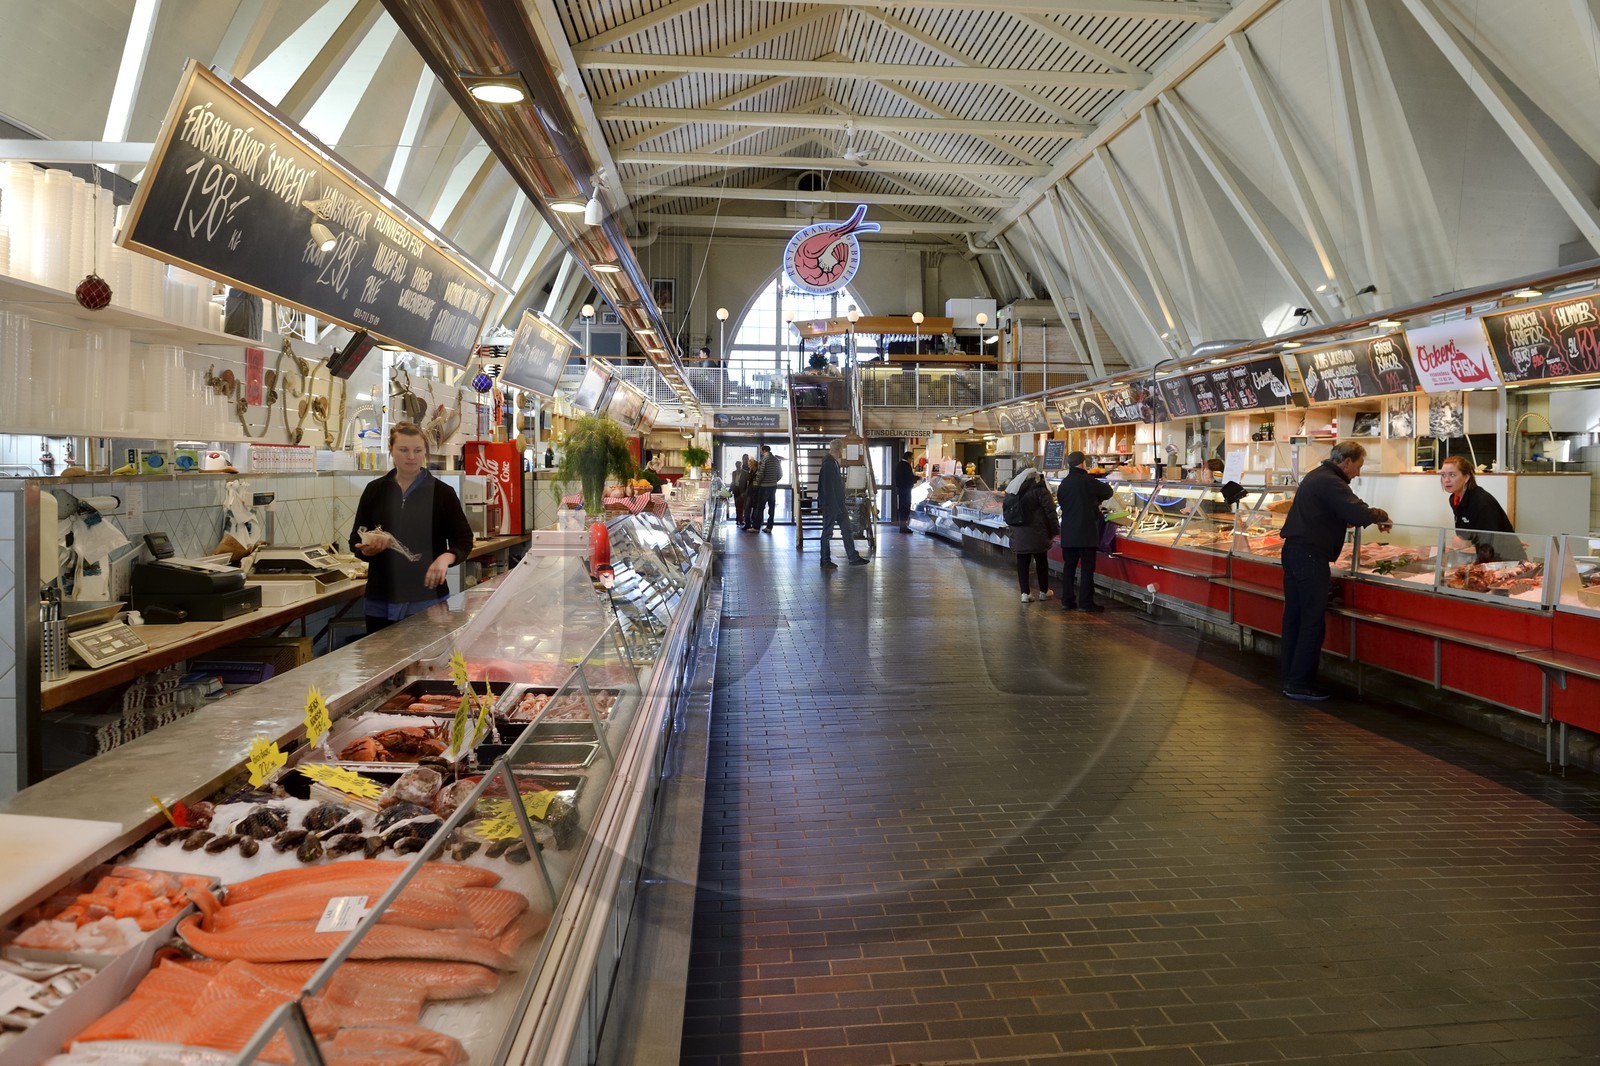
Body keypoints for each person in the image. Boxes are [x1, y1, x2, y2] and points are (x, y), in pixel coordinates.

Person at [1279, 441, 1391, 701]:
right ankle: (1300, 684)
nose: (1358, 473)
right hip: (1309, 557)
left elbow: (1343, 513)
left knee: (1294, 618)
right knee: (1311, 621)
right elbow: (1358, 513)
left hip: (1295, 553)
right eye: (1359, 466)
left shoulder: (1318, 476)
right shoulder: (1330, 481)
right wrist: (1380, 515)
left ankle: (1290, 677)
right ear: (1346, 462)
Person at [349, 422, 473, 635]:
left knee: (427, 665)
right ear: (391, 450)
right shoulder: (375, 491)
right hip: (381, 601)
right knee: (384, 665)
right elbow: (354, 541)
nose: (411, 457)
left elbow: (463, 540)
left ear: (425, 452)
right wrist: (365, 549)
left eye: (417, 451)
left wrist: (445, 558)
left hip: (428, 600)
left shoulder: (442, 493)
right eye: (403, 450)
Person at [1055, 450, 1113, 612]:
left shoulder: (1064, 483)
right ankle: (1086, 603)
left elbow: (1062, 502)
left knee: (1069, 567)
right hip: (1086, 532)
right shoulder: (1087, 480)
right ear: (1082, 463)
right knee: (1087, 569)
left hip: (1068, 531)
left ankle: (1067, 601)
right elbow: (1108, 492)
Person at [1439, 455, 1524, 562]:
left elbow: (1490, 539)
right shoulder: (1454, 499)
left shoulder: (1481, 501)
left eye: (1452, 475)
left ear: (1466, 477)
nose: (1446, 480)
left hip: (1507, 560)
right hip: (1485, 557)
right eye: (1443, 475)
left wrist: (1468, 543)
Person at [1006, 467, 1058, 603]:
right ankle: (1044, 591)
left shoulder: (1013, 488)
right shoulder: (1040, 489)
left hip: (1018, 531)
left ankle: (1025, 593)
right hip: (1037, 531)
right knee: (1041, 560)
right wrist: (1055, 529)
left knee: (1022, 561)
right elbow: (1051, 511)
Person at [816, 439, 867, 569]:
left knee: (847, 529)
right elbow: (828, 487)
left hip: (838, 504)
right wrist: (833, 506)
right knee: (827, 532)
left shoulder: (832, 463)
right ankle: (825, 560)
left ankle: (853, 557)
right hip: (832, 505)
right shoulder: (829, 464)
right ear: (840, 449)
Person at [749, 444, 782, 531]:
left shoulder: (764, 459)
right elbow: (780, 474)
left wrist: (757, 483)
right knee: (771, 507)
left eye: (761, 450)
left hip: (764, 486)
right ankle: (769, 527)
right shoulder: (776, 460)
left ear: (763, 450)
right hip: (773, 486)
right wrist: (774, 480)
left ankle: (756, 527)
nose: (761, 452)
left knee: (760, 508)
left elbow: (761, 473)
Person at [893, 450, 919, 533]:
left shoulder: (899, 464)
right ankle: (904, 527)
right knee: (905, 507)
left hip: (901, 489)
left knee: (902, 508)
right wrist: (918, 478)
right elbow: (908, 477)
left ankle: (902, 526)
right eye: (911, 458)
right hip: (905, 489)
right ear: (908, 458)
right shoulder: (906, 465)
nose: (912, 460)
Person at [730, 454, 754, 528]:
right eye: (737, 465)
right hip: (736, 490)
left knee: (743, 506)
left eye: (739, 465)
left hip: (743, 491)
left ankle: (743, 519)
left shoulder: (745, 473)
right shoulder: (734, 473)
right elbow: (733, 482)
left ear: (741, 464)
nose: (738, 466)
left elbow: (749, 482)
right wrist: (730, 489)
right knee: (737, 505)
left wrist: (746, 491)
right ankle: (738, 519)